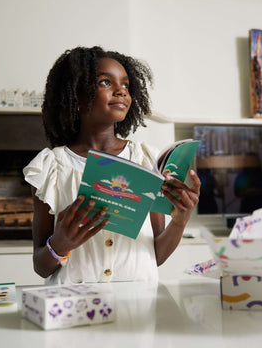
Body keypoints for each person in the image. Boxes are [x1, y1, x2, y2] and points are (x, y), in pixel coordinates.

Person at [23, 46, 200, 284]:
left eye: (126, 85)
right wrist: (60, 244)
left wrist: (180, 220)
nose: (121, 91)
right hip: (73, 307)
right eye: (106, 82)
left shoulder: (147, 160)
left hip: (136, 308)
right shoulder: (50, 167)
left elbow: (156, 256)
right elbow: (41, 267)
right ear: (78, 95)